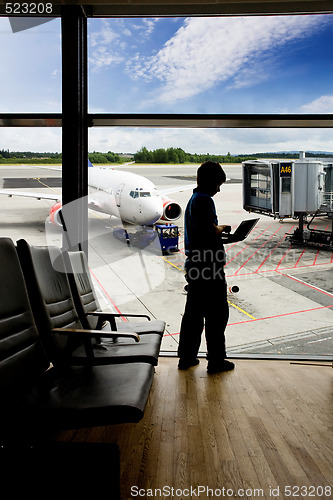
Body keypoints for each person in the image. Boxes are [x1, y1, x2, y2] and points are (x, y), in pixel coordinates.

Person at [177, 161, 235, 374]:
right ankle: (216, 361)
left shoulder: (194, 199)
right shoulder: (204, 201)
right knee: (217, 316)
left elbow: (202, 232)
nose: (219, 189)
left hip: (196, 266)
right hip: (208, 268)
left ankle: (187, 357)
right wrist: (223, 229)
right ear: (210, 181)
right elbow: (210, 231)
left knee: (193, 315)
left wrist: (218, 231)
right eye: (218, 184)